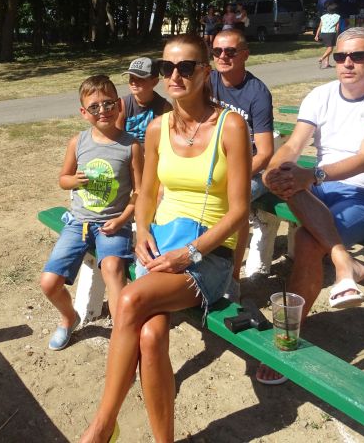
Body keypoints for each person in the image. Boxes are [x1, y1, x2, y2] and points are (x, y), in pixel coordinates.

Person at [79, 34, 251, 442]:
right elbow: (147, 194)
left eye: (186, 67)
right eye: (166, 67)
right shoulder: (157, 128)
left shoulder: (230, 126)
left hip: (208, 253)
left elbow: (239, 210)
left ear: (205, 73)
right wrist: (141, 231)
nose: (174, 75)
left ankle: (102, 427)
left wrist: (190, 253)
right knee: (151, 336)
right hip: (161, 246)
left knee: (128, 300)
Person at [256, 27, 364, 386]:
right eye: (340, 56)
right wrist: (277, 169)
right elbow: (294, 145)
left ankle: (288, 334)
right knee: (280, 178)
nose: (348, 63)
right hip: (319, 188)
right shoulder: (320, 95)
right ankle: (343, 260)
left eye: (358, 56)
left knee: (307, 242)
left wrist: (310, 175)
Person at [40, 75, 143, 351]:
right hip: (79, 223)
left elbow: (139, 192)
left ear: (119, 105)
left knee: (113, 270)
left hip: (113, 224)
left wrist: (122, 219)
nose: (103, 111)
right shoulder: (78, 142)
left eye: (108, 103)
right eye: (94, 107)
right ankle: (69, 318)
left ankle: (123, 339)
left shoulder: (131, 146)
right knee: (49, 283)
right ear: (84, 112)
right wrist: (73, 180)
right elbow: (63, 179)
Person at [209, 28, 274, 295]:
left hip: (252, 170)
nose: (222, 56)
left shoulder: (257, 93)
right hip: (215, 163)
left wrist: (233, 177)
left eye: (230, 51)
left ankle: (232, 279)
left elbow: (265, 153)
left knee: (230, 205)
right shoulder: (208, 80)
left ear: (245, 54)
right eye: (217, 51)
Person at [116, 57, 172, 144]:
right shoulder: (123, 104)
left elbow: (166, 138)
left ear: (154, 82)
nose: (134, 82)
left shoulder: (165, 107)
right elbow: (117, 136)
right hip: (128, 148)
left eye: (140, 78)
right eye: (131, 77)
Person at [314, 3, 340, 68]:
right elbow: (337, 28)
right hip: (331, 34)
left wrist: (316, 35)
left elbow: (320, 26)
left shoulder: (323, 16)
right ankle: (322, 58)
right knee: (330, 49)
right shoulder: (337, 16)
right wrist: (337, 35)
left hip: (323, 33)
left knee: (328, 48)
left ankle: (327, 63)